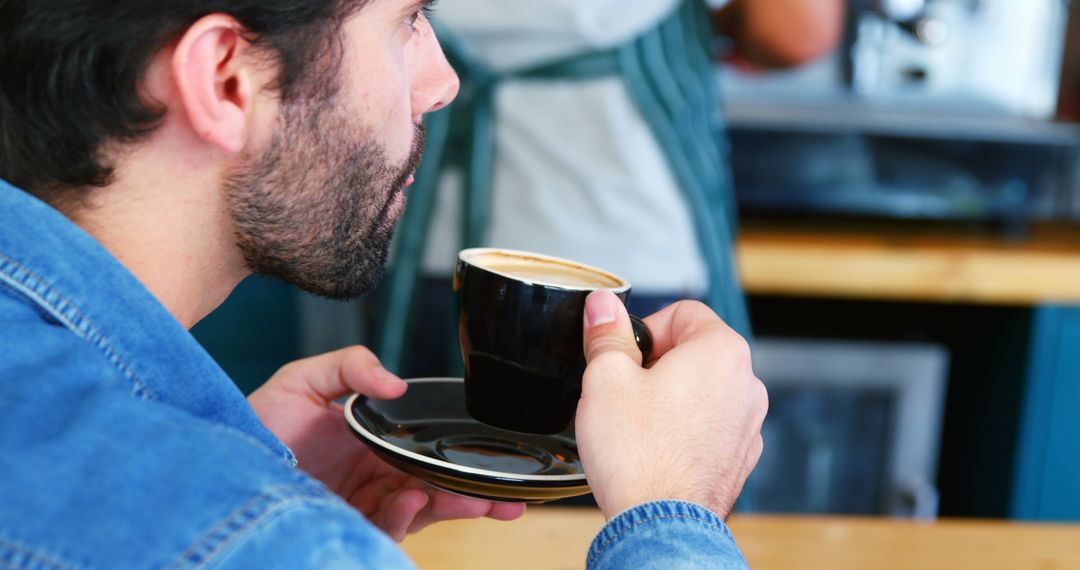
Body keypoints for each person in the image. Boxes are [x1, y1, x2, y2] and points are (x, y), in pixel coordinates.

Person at [0, 1, 767, 568]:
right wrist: (674, 513)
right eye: (407, 19)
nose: (442, 82)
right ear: (227, 80)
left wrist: (245, 466)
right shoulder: (277, 543)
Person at [373, 0, 845, 377]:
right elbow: (794, 31)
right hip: (626, 228)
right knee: (638, 478)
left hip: (433, 235)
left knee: (442, 478)